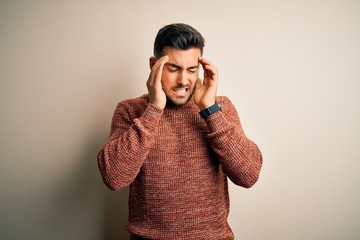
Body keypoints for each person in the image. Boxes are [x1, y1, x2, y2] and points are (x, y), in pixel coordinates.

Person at [97, 23, 263, 240]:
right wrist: (154, 108)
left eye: (192, 70)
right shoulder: (131, 110)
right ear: (154, 65)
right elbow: (114, 177)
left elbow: (248, 175)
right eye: (173, 69)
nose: (183, 80)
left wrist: (210, 110)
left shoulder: (219, 108)